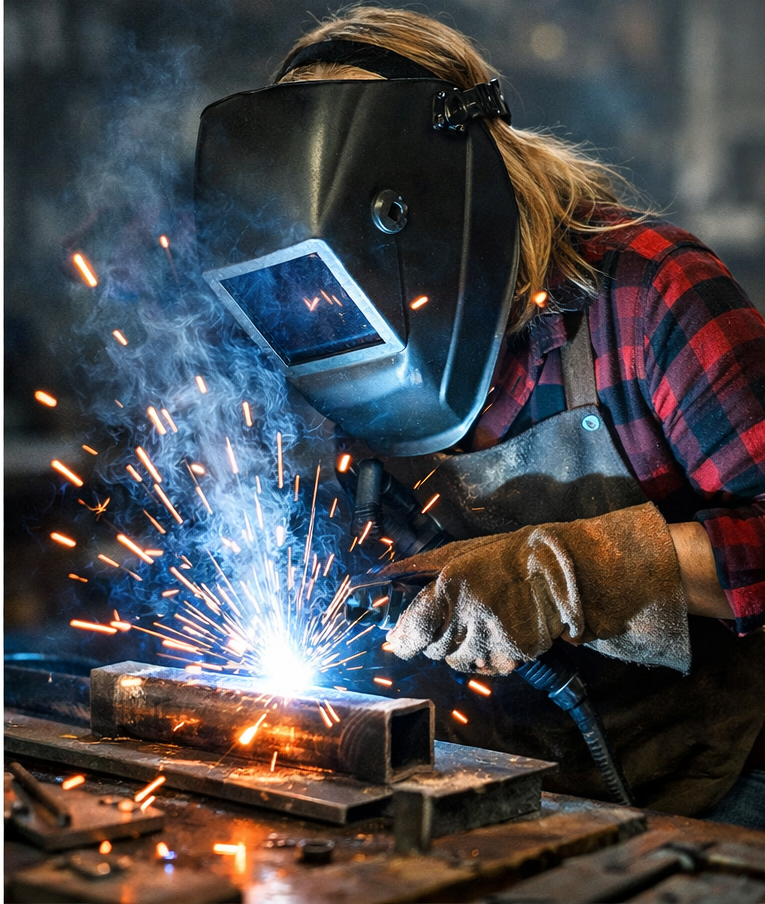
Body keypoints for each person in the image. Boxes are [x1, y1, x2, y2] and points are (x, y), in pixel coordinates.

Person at [194, 7, 765, 826]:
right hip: (506, 782)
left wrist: (569, 577)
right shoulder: (317, 340)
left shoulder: (644, 292)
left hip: (725, 781)